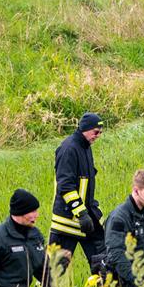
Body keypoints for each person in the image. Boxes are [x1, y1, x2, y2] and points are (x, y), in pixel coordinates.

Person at [49, 112, 106, 272]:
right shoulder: (68, 149)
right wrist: (81, 213)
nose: (98, 136)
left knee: (104, 265)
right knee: (54, 272)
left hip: (87, 219)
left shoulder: (85, 146)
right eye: (96, 132)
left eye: (101, 132)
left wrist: (91, 212)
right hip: (67, 222)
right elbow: (65, 186)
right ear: (85, 129)